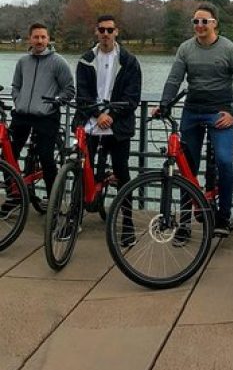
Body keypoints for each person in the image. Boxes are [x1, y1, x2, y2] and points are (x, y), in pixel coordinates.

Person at [158, 3, 233, 238]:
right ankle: (184, 222)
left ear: (215, 23)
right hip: (192, 111)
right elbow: (174, 80)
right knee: (185, 167)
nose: (200, 26)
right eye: (196, 21)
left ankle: (223, 216)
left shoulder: (229, 49)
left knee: (224, 161)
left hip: (219, 113)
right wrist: (163, 104)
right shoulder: (185, 48)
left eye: (205, 21)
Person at [74, 15, 142, 246]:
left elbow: (132, 97)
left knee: (122, 173)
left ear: (116, 32)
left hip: (118, 127)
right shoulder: (85, 60)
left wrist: (110, 116)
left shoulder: (129, 61)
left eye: (109, 30)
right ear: (96, 31)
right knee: (81, 172)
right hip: (91, 125)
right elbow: (82, 94)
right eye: (101, 29)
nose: (105, 33)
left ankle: (127, 224)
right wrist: (97, 114)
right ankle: (74, 217)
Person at [8, 23, 74, 201]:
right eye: (36, 37)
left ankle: (53, 201)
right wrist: (18, 100)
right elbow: (16, 86)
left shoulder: (58, 62)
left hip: (46, 117)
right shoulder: (23, 62)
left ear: (48, 39)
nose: (40, 40)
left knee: (46, 158)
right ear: (30, 38)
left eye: (43, 37)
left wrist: (54, 103)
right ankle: (13, 197)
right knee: (7, 155)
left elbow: (69, 90)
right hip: (22, 115)